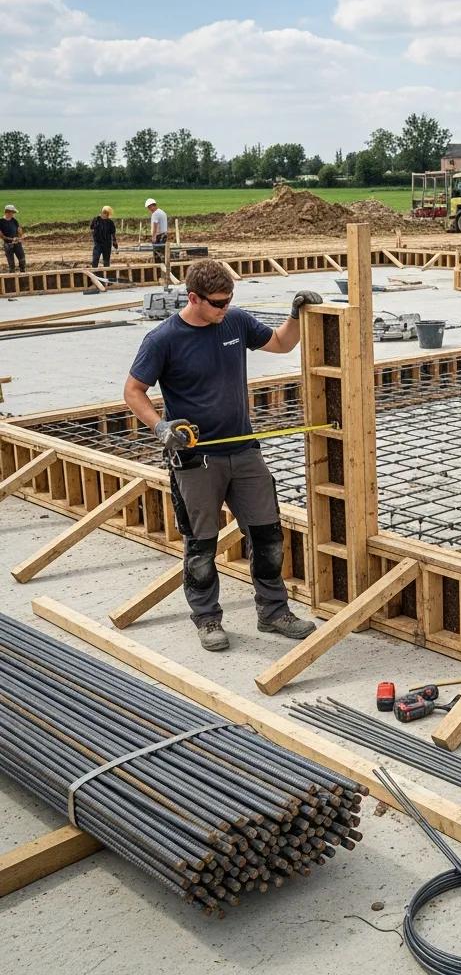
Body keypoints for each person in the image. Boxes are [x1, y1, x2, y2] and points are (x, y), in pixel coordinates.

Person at [124, 259, 324, 651]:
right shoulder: (163, 339)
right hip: (197, 459)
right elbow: (133, 391)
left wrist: (296, 315)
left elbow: (281, 343)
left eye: (229, 300)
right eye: (217, 303)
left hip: (244, 451)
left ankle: (273, 611)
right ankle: (207, 619)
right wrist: (161, 428)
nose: (224, 308)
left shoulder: (235, 322)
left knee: (267, 535)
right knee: (201, 544)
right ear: (193, 298)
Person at [1, 204, 26, 273]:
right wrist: (12, 239)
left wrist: (21, 236)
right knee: (11, 265)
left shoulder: (14, 220)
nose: (14, 214)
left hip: (17, 243)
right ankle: (11, 280)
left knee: (22, 261)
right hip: (8, 245)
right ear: (8, 212)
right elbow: (2, 236)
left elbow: (19, 230)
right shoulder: (1, 222)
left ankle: (23, 276)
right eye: (13, 212)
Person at [146, 197, 168, 264]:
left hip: (159, 235)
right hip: (164, 234)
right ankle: (163, 264)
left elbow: (155, 225)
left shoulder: (155, 214)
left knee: (157, 252)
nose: (149, 209)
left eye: (149, 207)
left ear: (152, 205)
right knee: (162, 250)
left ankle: (158, 267)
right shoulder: (162, 212)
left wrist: (153, 236)